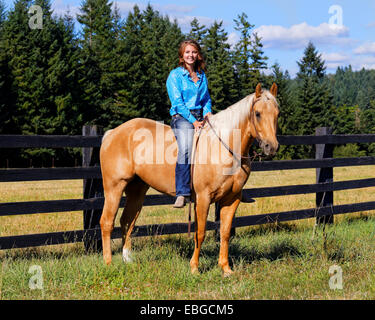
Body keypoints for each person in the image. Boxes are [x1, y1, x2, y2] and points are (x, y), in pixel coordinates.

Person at [166, 39, 212, 208]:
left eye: (193, 52)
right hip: (182, 117)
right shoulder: (175, 75)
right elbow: (178, 103)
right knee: (186, 147)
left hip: (201, 115)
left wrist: (207, 112)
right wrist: (194, 122)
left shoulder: (201, 75)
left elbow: (206, 98)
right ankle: (182, 192)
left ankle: (229, 187)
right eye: (187, 52)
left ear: (198, 54)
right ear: (182, 55)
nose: (190, 55)